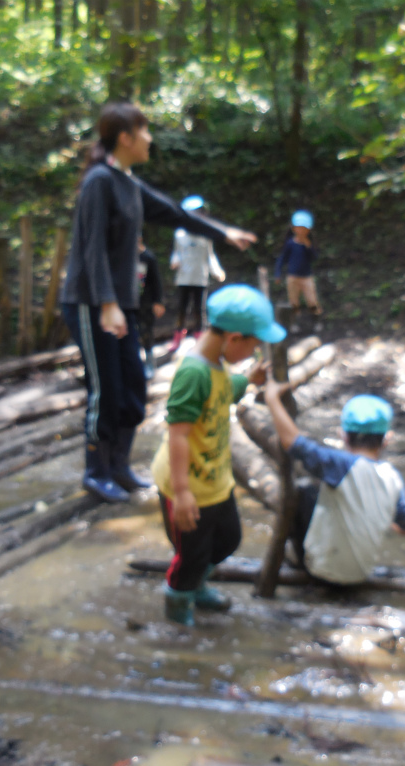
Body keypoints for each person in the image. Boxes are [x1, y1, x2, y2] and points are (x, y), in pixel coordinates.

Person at [60, 101, 256, 505]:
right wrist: (107, 303)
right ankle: (96, 472)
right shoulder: (99, 182)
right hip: (92, 302)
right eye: (145, 131)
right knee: (105, 389)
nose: (151, 139)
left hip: (121, 304)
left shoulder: (128, 183)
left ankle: (119, 466)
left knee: (134, 383)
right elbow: (92, 248)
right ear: (125, 137)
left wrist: (223, 233)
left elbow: (176, 213)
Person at [150, 285, 282, 626]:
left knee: (228, 539)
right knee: (190, 554)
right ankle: (178, 603)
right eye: (253, 345)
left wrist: (248, 380)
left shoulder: (217, 363)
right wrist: (181, 492)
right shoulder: (193, 373)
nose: (254, 351)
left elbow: (222, 390)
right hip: (187, 484)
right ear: (234, 338)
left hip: (214, 478)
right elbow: (178, 434)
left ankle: (195, 583)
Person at [263, 386, 405, 585]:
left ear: (343, 435)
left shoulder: (340, 465)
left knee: (306, 489)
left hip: (320, 570)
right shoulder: (392, 476)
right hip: (361, 573)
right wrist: (384, 519)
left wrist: (272, 399)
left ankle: (296, 556)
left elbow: (292, 443)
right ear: (387, 440)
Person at [168, 195, 226, 352]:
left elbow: (210, 256)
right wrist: (174, 261)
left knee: (199, 310)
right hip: (184, 278)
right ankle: (178, 338)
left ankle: (200, 338)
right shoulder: (180, 234)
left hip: (200, 278)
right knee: (182, 309)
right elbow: (176, 253)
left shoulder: (206, 235)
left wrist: (217, 271)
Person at [274, 210, 321, 328]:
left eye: (304, 228)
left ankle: (316, 322)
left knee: (312, 301)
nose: (301, 231)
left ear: (308, 230)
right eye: (299, 228)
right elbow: (282, 258)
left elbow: (314, 258)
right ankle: (294, 324)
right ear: (294, 229)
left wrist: (308, 246)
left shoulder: (309, 244)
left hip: (307, 277)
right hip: (293, 277)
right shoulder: (290, 243)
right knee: (294, 302)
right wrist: (278, 273)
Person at [137, 237, 166, 380]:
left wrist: (158, 302)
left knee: (146, 333)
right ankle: (136, 365)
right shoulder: (126, 256)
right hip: (131, 304)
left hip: (146, 304)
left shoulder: (148, 257)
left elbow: (156, 281)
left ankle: (150, 363)